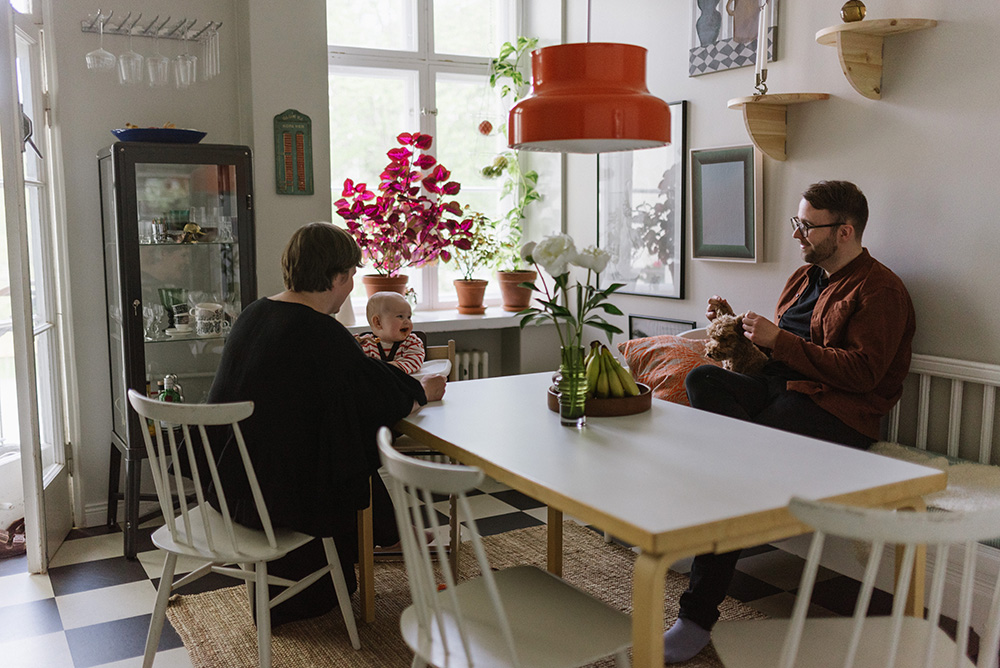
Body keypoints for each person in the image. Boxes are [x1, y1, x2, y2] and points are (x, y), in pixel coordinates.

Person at [663, 180, 916, 663]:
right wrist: (740, 331)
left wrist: (780, 341)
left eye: (807, 225)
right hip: (782, 392)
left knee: (729, 479)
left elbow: (863, 374)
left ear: (844, 231)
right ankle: (746, 473)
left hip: (837, 413)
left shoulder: (880, 289)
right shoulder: (804, 278)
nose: (797, 234)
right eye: (797, 222)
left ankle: (695, 617)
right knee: (703, 379)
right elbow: (777, 357)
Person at [206, 222, 446, 627]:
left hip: (228, 484)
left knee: (334, 434)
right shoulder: (318, 331)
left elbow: (352, 383)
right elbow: (375, 393)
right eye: (350, 276)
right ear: (335, 277)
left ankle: (387, 531)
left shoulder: (256, 313)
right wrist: (420, 390)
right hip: (273, 501)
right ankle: (387, 532)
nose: (351, 285)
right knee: (346, 449)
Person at [357, 291, 425, 374]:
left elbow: (414, 361)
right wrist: (352, 345)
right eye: (400, 316)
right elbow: (358, 366)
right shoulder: (366, 344)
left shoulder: (412, 342)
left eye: (409, 317)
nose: (407, 321)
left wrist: (392, 368)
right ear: (378, 322)